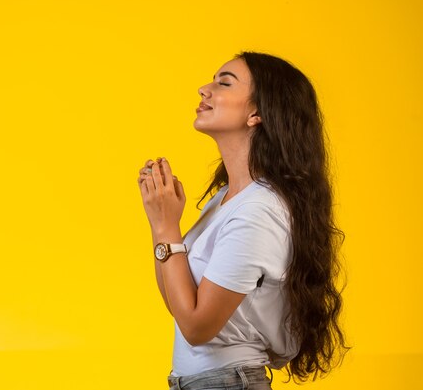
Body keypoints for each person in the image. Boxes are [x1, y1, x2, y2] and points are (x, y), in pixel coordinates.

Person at [137, 51, 349, 389]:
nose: (203, 90)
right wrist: (159, 220)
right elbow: (177, 305)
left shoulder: (259, 210)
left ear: (256, 113)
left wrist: (167, 227)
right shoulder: (225, 200)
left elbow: (196, 327)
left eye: (224, 83)